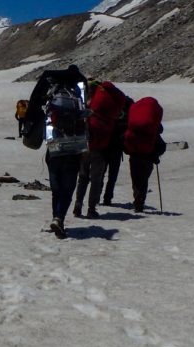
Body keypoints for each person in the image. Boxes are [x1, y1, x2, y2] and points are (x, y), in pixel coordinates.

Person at [24, 64, 88, 238]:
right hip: (74, 146)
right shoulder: (78, 91)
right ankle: (59, 218)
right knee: (68, 187)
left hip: (54, 145)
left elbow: (36, 108)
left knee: (56, 187)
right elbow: (86, 115)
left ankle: (56, 217)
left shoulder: (52, 90)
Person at [73, 80, 125, 219]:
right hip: (101, 149)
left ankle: (78, 205)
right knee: (96, 180)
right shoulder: (109, 107)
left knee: (83, 177)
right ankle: (91, 209)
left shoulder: (87, 105)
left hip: (85, 147)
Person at [124, 97, 166, 213]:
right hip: (148, 156)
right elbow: (160, 143)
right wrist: (156, 156)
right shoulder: (153, 126)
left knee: (136, 179)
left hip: (135, 155)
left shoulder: (135, 125)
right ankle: (140, 202)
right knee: (143, 180)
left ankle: (137, 201)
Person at [102, 93, 132, 206]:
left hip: (105, 145)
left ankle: (97, 196)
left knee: (101, 173)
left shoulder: (107, 107)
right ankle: (107, 198)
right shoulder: (125, 108)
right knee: (112, 175)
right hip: (117, 146)